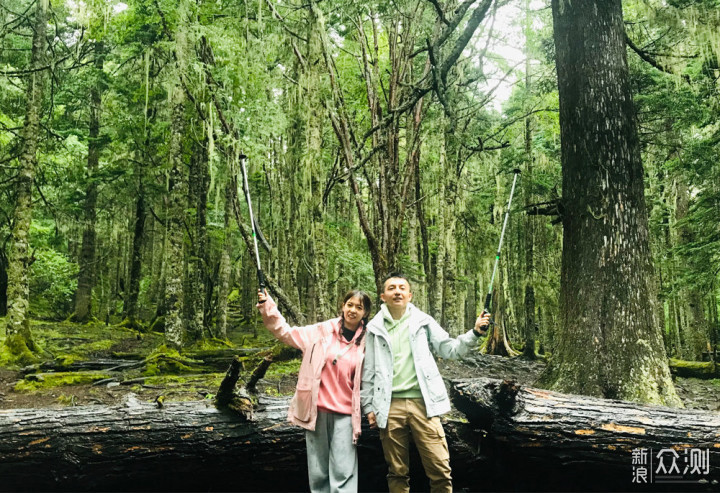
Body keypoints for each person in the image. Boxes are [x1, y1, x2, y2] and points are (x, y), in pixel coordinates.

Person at [361, 273, 491, 493]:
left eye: (402, 288)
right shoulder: (373, 329)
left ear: (410, 295)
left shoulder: (423, 321)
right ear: (383, 296)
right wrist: (368, 406)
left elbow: (449, 349)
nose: (397, 291)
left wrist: (475, 332)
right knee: (397, 471)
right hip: (389, 406)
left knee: (440, 468)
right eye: (391, 288)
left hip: (424, 403)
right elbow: (369, 371)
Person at [257, 288, 372, 493]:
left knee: (343, 471)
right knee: (318, 472)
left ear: (365, 313)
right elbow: (285, 332)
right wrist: (268, 306)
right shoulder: (322, 331)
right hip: (317, 411)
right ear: (342, 307)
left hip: (346, 414)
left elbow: (374, 377)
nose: (353, 310)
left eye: (359, 307)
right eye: (350, 305)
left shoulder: (368, 341)